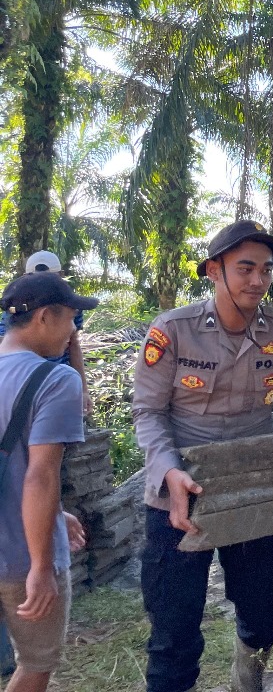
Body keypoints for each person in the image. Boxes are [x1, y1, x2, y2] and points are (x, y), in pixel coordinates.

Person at [132, 220, 273, 692]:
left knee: (263, 614)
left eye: (266, 270)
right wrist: (168, 471)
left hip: (254, 490)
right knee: (173, 628)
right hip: (179, 493)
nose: (258, 280)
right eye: (244, 268)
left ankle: (245, 680)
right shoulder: (173, 331)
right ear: (214, 271)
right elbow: (148, 412)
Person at [0, 272, 98, 692]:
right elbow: (39, 475)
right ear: (44, 316)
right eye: (72, 318)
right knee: (35, 663)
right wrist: (42, 565)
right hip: (21, 558)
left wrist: (56, 512)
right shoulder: (57, 380)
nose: (74, 329)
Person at [0, 252, 90, 417]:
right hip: (27, 385)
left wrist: (83, 389)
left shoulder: (70, 305)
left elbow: (74, 345)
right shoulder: (16, 307)